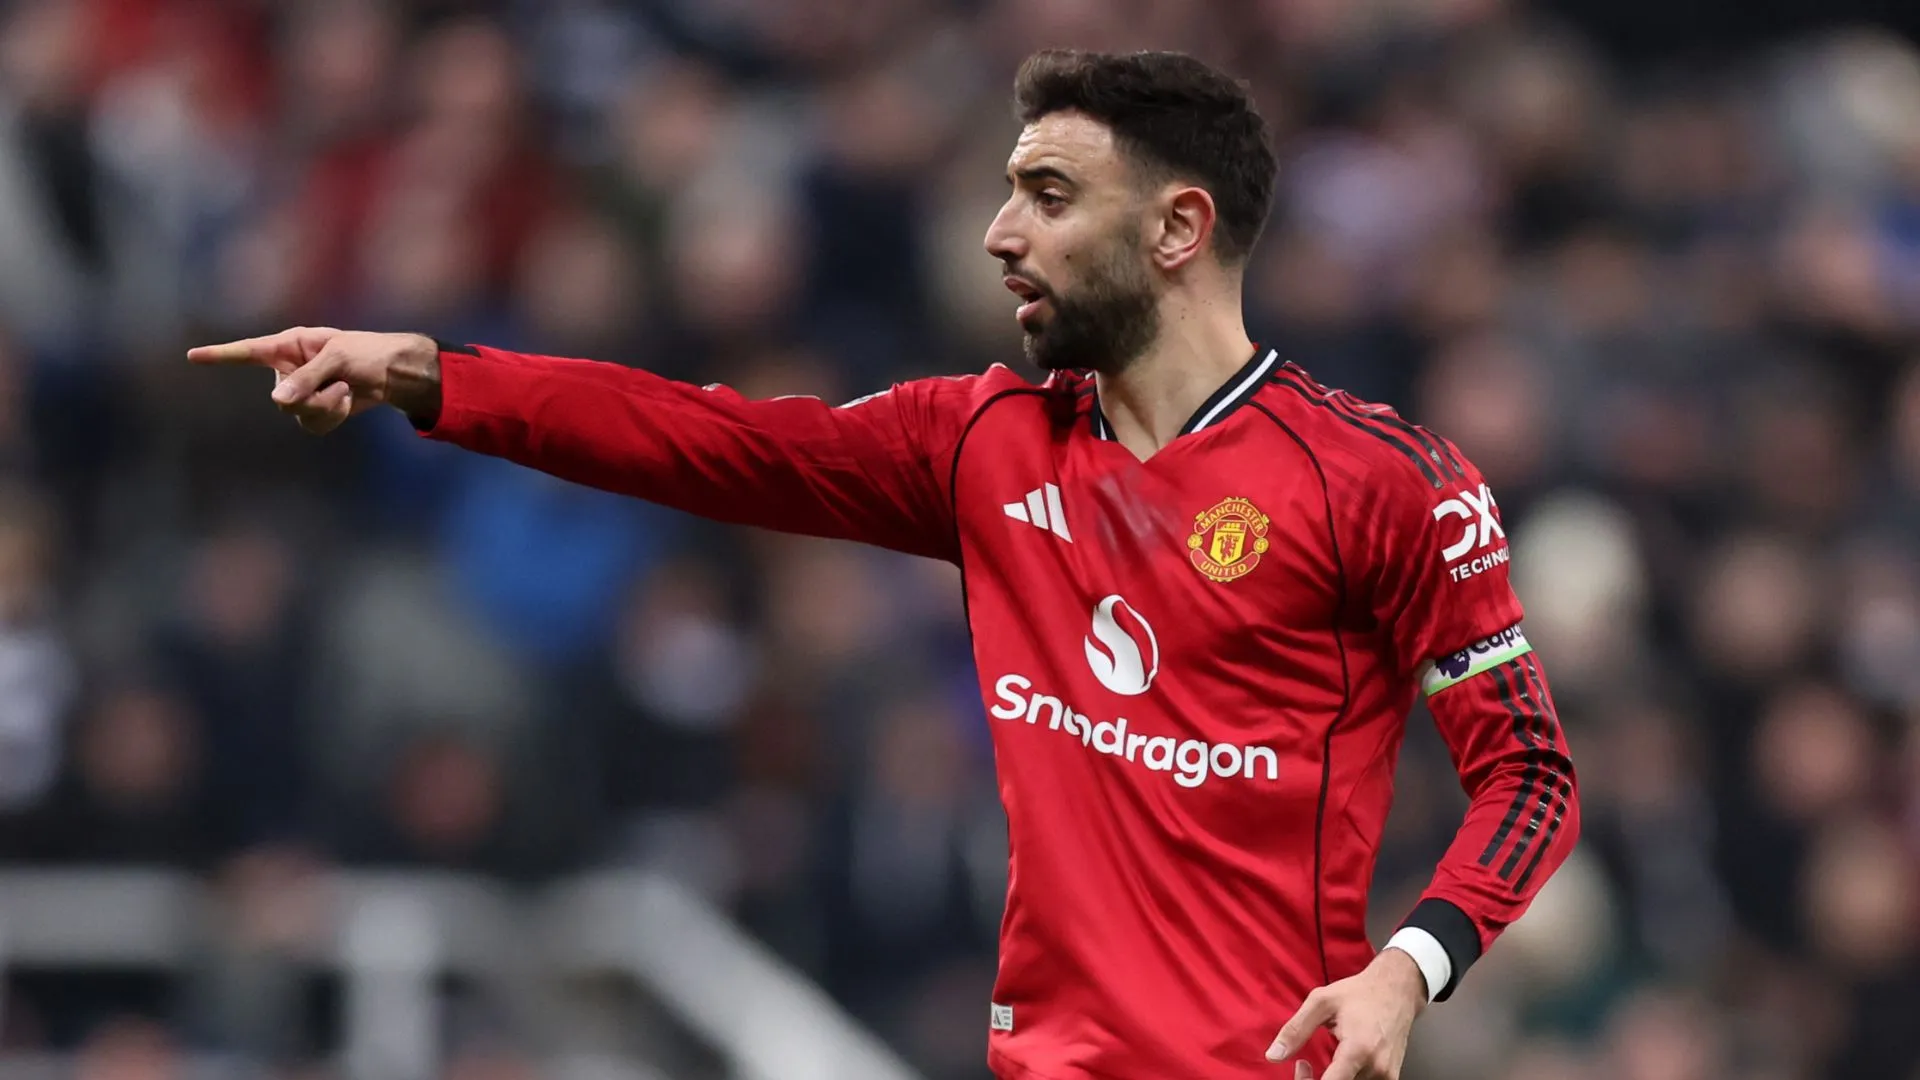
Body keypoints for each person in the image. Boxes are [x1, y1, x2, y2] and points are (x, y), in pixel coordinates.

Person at [191, 49, 1579, 1080]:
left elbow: (1531, 775)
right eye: (1006, 193)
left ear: (1177, 229)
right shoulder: (982, 442)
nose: (1000, 234)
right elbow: (706, 439)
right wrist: (434, 374)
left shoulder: (1385, 484)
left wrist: (1409, 969)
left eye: (1047, 195)